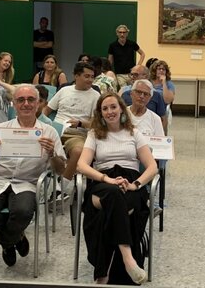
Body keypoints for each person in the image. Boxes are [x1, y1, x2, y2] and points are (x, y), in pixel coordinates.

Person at [0, 84, 66, 267]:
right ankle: (17, 236)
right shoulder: (0, 129)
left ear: (38, 103)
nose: (26, 104)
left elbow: (60, 170)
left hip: (28, 183)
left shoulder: (49, 132)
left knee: (22, 213)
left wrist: (52, 154)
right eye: (21, 100)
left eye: (31, 100)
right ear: (14, 104)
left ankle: (7, 243)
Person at [76, 93, 157, 285]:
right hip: (103, 182)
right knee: (113, 195)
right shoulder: (94, 134)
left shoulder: (134, 133)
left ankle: (103, 274)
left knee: (110, 212)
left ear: (121, 109)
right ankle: (129, 260)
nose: (109, 111)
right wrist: (108, 179)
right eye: (105, 108)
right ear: (100, 113)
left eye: (113, 107)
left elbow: (152, 166)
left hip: (130, 182)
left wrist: (135, 185)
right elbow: (81, 165)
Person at [43, 62, 100, 192]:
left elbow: (96, 123)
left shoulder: (95, 96)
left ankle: (62, 187)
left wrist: (80, 123)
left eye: (92, 77)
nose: (90, 80)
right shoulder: (64, 91)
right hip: (56, 129)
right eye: (87, 76)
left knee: (78, 151)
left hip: (77, 133)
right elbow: (47, 109)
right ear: (76, 76)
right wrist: (43, 122)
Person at [120, 65, 167, 130]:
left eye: (136, 75)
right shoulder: (125, 94)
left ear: (146, 76)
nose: (132, 77)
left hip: (149, 129)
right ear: (131, 94)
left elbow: (163, 119)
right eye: (131, 74)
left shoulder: (156, 95)